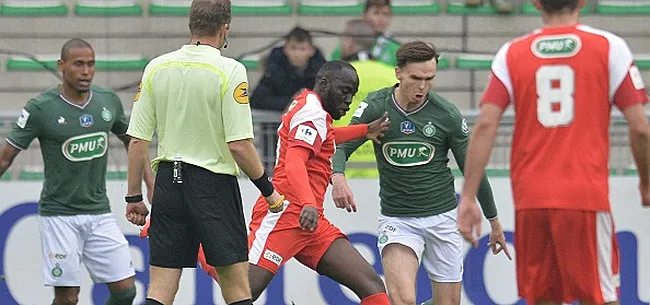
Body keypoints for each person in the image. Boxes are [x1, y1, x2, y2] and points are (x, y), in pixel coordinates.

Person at [456, 0, 650, 304]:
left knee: (542, 297)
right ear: (583, 2)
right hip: (584, 195)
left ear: (535, 4)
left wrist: (468, 197)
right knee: (600, 295)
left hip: (530, 198)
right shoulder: (609, 47)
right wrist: (646, 181)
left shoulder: (512, 52)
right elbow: (640, 127)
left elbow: (485, 125)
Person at [123, 1, 284, 305]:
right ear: (225, 28)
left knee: (160, 290)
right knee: (236, 289)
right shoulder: (230, 70)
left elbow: (137, 141)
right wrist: (269, 192)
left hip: (170, 183)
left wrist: (134, 197)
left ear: (191, 25)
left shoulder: (157, 66)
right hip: (213, 187)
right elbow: (238, 144)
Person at [331, 41, 510, 305]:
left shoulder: (446, 114)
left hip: (442, 218)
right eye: (416, 78)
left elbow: (472, 168)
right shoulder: (377, 106)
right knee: (403, 300)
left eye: (429, 78)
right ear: (398, 73)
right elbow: (342, 145)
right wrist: (338, 176)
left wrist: (494, 222)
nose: (422, 86)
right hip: (398, 220)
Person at [0, 38, 153, 305]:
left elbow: (133, 143)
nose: (85, 71)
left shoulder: (107, 102)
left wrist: (149, 182)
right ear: (62, 65)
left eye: (91, 64)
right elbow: (5, 159)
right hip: (59, 215)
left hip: (99, 213)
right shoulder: (41, 108)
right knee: (68, 299)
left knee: (126, 289)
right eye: (78, 64)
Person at [334, 19, 397, 178]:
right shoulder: (392, 75)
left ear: (348, 42)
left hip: (341, 166)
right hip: (384, 165)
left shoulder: (335, 76)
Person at [250, 26, 327, 112]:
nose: (297, 54)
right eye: (293, 48)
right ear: (285, 49)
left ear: (311, 51)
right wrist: (291, 102)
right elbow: (256, 99)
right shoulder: (275, 70)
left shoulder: (321, 72)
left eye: (302, 49)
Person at [330, 0, 399, 66]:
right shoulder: (349, 44)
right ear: (364, 16)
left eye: (385, 14)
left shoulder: (396, 48)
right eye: (376, 13)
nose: (381, 18)